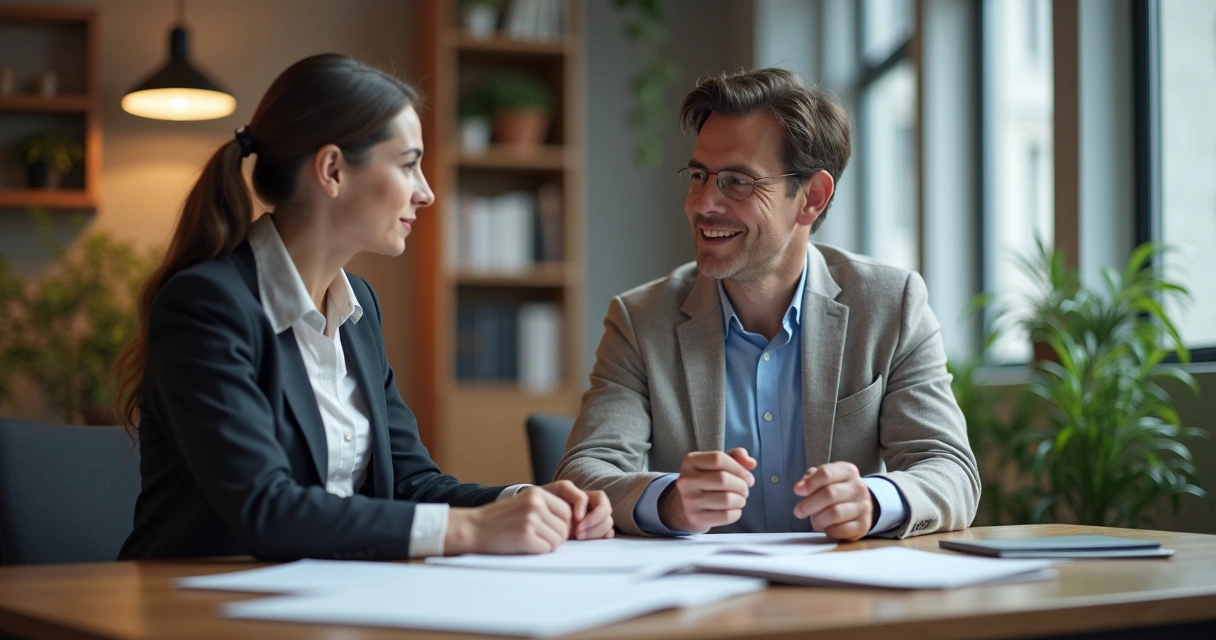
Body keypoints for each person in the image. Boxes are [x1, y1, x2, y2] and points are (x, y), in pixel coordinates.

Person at [113, 54, 612, 561]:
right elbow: (266, 509)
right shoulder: (207, 307)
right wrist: (472, 529)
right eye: (409, 165)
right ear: (332, 170)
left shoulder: (358, 310)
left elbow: (412, 483)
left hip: (325, 591)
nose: (426, 193)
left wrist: (525, 502)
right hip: (198, 597)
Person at [556, 68, 979, 541]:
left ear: (812, 198)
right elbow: (582, 473)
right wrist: (669, 500)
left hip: (841, 582)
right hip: (704, 586)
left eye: (738, 182)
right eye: (699, 176)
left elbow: (951, 471)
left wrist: (874, 500)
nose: (703, 204)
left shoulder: (890, 305)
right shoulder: (640, 320)